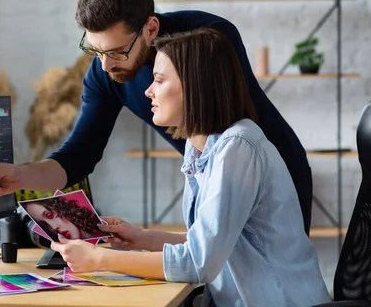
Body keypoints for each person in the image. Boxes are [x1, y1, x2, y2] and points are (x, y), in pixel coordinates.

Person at [0, 0, 313, 234]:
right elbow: (77, 156)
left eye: (116, 51)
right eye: (96, 51)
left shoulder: (208, 40)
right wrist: (21, 176)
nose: (106, 65)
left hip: (276, 174)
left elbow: (227, 133)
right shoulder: (104, 75)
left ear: (151, 28)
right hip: (213, 184)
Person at [50, 29, 331, 306]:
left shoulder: (238, 146)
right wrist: (141, 237)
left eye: (159, 81)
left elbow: (199, 263)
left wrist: (99, 259)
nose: (148, 91)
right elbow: (208, 242)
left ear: (196, 85)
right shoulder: (202, 147)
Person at [22, 197, 108, 240]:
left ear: (62, 209)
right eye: (44, 224)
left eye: (49, 215)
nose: (54, 227)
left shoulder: (106, 239)